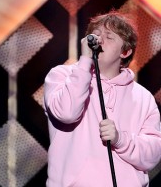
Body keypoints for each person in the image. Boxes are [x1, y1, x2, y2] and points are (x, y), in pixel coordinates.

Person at [43, 10, 161, 187]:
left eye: (109, 36)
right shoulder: (61, 76)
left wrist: (120, 139)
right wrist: (84, 62)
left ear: (125, 52)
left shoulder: (143, 98)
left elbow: (153, 155)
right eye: (95, 34)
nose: (98, 40)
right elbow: (66, 113)